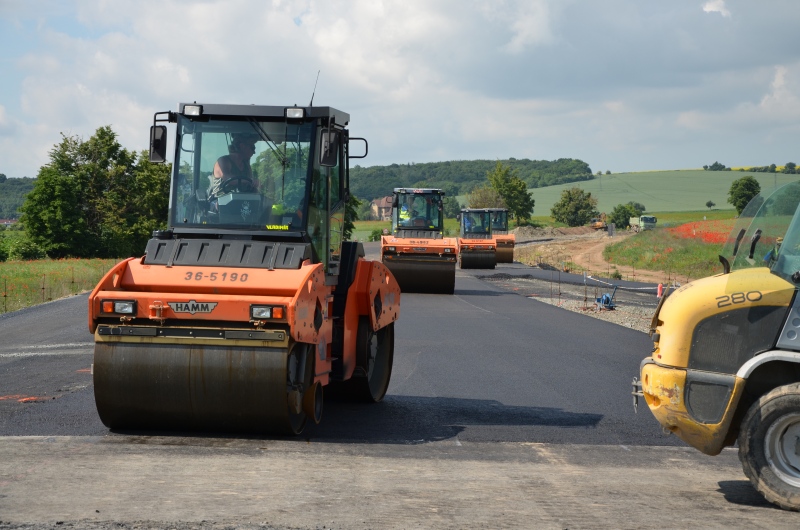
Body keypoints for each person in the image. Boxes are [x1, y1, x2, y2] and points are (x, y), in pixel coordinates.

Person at [208, 133, 259, 199]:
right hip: (220, 201)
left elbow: (250, 185)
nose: (254, 152)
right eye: (252, 147)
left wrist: (255, 184)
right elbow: (227, 178)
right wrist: (249, 181)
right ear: (242, 146)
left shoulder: (246, 165)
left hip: (239, 200)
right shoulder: (223, 161)